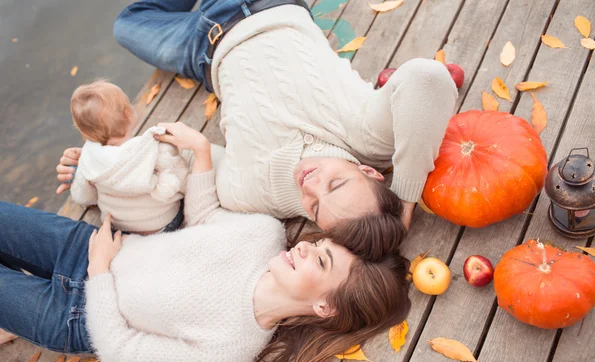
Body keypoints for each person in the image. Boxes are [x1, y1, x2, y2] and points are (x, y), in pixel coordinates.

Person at [0, 128, 411, 362]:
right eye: (320, 245)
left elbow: (118, 348)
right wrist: (200, 151)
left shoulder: (226, 352)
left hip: (73, 315)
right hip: (86, 245)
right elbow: (204, 218)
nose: (307, 248)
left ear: (325, 306)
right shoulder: (264, 235)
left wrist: (101, 275)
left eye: (321, 262)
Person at [56, 0, 457, 244]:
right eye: (335, 183)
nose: (310, 183)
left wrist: (101, 159)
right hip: (270, 6)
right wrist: (406, 198)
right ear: (369, 171)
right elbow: (427, 78)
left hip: (204, 48)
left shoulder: (256, 195)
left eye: (315, 207)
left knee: (127, 23)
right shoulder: (374, 139)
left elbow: (184, 160)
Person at [70, 79, 188, 234]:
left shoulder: (88, 160)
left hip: (121, 228)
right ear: (128, 114)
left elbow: (82, 196)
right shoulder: (153, 149)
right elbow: (184, 181)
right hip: (165, 222)